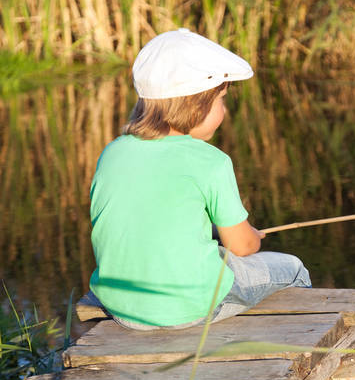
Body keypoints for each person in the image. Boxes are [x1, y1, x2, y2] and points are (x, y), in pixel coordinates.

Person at [88, 28, 311, 330]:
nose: (225, 110)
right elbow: (243, 247)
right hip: (188, 309)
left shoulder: (112, 152)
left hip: (122, 308)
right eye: (221, 99)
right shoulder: (210, 161)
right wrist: (248, 236)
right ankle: (296, 347)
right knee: (293, 269)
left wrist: (224, 234)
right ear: (197, 105)